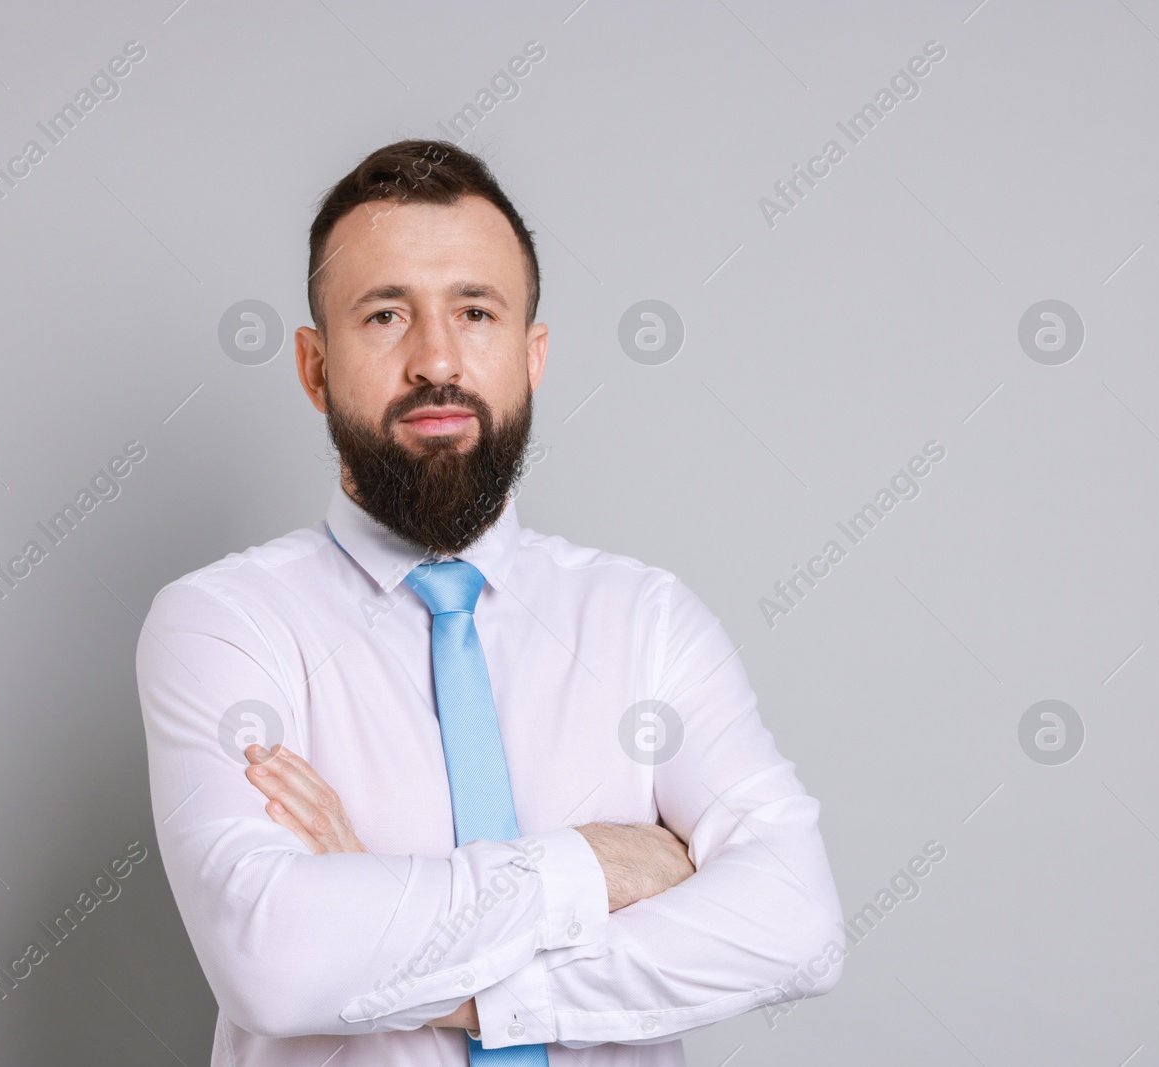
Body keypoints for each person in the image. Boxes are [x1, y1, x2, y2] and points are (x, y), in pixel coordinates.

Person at [136, 139, 843, 1065]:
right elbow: (275, 961)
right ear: (314, 367)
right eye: (386, 314)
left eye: (476, 311)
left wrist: (429, 955)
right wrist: (597, 863)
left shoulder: (648, 621)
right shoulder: (224, 623)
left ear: (531, 353)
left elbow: (797, 921)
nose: (437, 359)